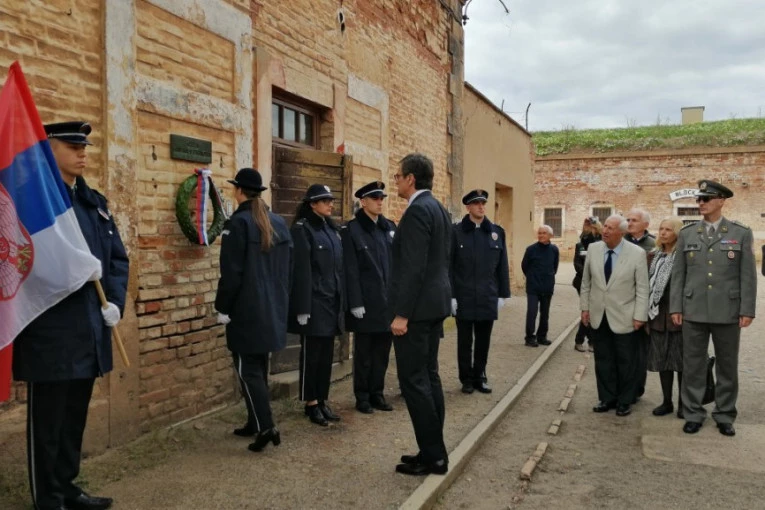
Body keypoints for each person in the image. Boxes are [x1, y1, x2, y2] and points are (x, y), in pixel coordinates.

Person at [13, 122, 129, 510]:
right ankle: (48, 498)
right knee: (47, 422)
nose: (82, 153)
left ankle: (67, 486)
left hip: (90, 327)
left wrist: (114, 303)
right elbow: (22, 262)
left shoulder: (94, 202)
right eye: (72, 146)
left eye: (85, 146)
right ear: (49, 148)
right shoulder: (34, 203)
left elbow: (117, 259)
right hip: (51, 330)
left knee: (74, 418)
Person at [670, 180, 757, 437]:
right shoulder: (687, 233)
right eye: (699, 199)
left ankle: (725, 414)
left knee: (727, 366)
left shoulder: (740, 232)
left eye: (706, 199)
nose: (701, 203)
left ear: (721, 201)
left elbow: (747, 276)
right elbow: (679, 274)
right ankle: (693, 413)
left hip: (727, 311)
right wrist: (676, 306)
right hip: (693, 309)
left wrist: (747, 309)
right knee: (693, 365)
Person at [215, 168, 292, 452]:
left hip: (246, 309)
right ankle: (254, 420)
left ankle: (266, 426)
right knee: (257, 367)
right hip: (272, 307)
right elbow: (289, 269)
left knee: (248, 370)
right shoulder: (278, 222)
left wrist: (222, 307)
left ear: (239, 191)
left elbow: (231, 273)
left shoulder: (238, 223)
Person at [389, 153, 451, 476]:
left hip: (416, 311)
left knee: (414, 381)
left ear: (411, 179)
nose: (396, 181)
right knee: (429, 377)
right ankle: (432, 449)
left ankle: (434, 457)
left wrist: (402, 314)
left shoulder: (417, 211)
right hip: (434, 305)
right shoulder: (438, 208)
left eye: (398, 176)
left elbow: (414, 267)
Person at [580, 215, 649, 417]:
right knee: (603, 359)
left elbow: (642, 288)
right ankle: (607, 398)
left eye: (610, 228)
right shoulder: (594, 249)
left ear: (622, 232)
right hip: (598, 314)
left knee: (626, 361)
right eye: (605, 227)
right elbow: (586, 282)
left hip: (625, 316)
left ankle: (625, 400)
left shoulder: (636, 253)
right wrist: (585, 308)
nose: (605, 231)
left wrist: (640, 316)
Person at [289, 184, 345, 427]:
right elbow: (301, 271)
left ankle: (322, 399)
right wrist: (302, 307)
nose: (330, 204)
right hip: (314, 302)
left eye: (331, 200)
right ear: (312, 204)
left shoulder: (331, 229)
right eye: (325, 200)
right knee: (312, 355)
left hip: (332, 301)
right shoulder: (303, 230)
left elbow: (338, 269)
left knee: (326, 355)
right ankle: (310, 402)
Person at [341, 181, 396, 414]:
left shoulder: (388, 228)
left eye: (382, 198)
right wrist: (355, 302)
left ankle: (377, 393)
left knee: (382, 353)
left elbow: (396, 266)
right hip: (365, 302)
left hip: (387, 302)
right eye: (375, 198)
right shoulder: (351, 230)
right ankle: (362, 396)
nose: (380, 202)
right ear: (363, 202)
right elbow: (350, 269)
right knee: (364, 353)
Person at [450, 189, 511, 394]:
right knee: (465, 341)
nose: (481, 206)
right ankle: (466, 379)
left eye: (483, 203)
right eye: (476, 203)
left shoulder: (496, 232)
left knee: (483, 340)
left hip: (487, 295)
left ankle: (480, 375)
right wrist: (451, 295)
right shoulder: (456, 232)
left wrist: (502, 294)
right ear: (468, 207)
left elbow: (502, 265)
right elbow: (449, 266)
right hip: (464, 296)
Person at [646, 217, 684, 419]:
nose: (663, 233)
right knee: (662, 361)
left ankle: (684, 404)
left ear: (677, 233)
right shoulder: (653, 256)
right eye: (661, 229)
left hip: (679, 316)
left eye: (668, 229)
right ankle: (667, 401)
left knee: (681, 363)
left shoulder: (684, 256)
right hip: (658, 315)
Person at [626, 208, 654, 400]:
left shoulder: (653, 245)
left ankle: (637, 388)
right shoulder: (621, 242)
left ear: (646, 224)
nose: (629, 223)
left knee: (639, 351)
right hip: (622, 302)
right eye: (628, 219)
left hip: (643, 303)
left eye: (634, 220)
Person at [521, 225, 559, 348]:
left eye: (544, 233)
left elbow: (555, 267)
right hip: (533, 287)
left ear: (550, 235)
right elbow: (524, 266)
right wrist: (532, 277)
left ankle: (542, 336)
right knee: (532, 312)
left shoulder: (554, 250)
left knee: (545, 313)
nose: (541, 235)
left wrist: (548, 277)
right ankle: (529, 338)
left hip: (547, 286)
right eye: (539, 233)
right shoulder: (530, 249)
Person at [573, 216, 602, 352]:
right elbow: (577, 263)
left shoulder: (602, 244)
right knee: (589, 310)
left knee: (591, 311)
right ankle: (589, 342)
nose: (590, 229)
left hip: (598, 282)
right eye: (588, 227)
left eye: (592, 227)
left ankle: (582, 340)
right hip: (582, 282)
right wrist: (587, 274)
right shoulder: (580, 245)